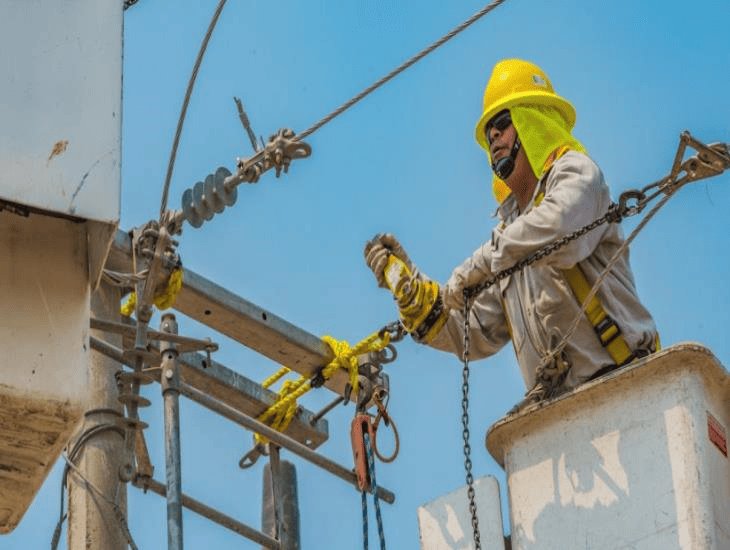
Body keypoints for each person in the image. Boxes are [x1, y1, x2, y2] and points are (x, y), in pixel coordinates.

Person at [364, 59, 659, 406]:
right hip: (560, 414)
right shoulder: (511, 239)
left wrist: (480, 263)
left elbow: (559, 226)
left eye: (502, 124)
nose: (493, 137)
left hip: (628, 388)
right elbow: (475, 331)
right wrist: (418, 299)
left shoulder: (578, 175)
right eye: (489, 130)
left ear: (532, 120)